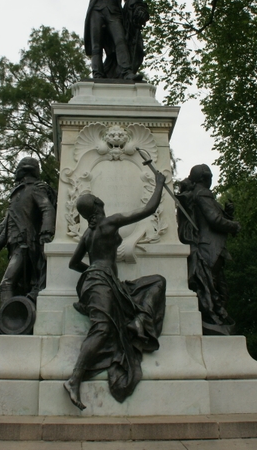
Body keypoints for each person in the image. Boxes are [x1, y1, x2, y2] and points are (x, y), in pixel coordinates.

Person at [63, 170, 168, 410]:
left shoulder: (88, 234)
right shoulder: (109, 223)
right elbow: (148, 210)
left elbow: (73, 264)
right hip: (101, 282)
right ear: (99, 205)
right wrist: (159, 183)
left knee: (156, 282)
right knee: (102, 329)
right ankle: (74, 379)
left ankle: (139, 321)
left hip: (104, 282)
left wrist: (92, 271)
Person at [0, 157, 56, 343]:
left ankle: (4, 327)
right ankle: (13, 325)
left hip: (26, 244)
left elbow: (47, 208)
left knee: (7, 284)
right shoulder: (18, 194)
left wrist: (46, 231)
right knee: (20, 286)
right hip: (15, 245)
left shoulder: (35, 189)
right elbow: (6, 222)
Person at [176, 164, 240, 334]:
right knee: (213, 289)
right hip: (209, 249)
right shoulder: (202, 193)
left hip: (209, 248)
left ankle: (216, 321)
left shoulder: (197, 194)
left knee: (216, 288)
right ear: (205, 178)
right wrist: (234, 226)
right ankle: (213, 321)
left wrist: (228, 214)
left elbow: (211, 218)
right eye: (210, 176)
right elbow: (214, 220)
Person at [65, 0, 147, 81]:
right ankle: (97, 73)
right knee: (96, 45)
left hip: (114, 15)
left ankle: (126, 72)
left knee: (120, 41)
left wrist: (140, 7)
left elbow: (130, 0)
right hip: (96, 13)